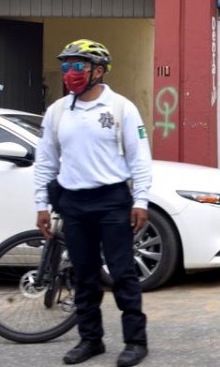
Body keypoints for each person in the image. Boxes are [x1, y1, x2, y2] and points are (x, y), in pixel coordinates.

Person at [34, 39, 152, 367]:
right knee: (83, 275)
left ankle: (135, 341)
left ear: (98, 71)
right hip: (73, 202)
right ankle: (90, 339)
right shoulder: (57, 112)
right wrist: (41, 204)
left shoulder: (121, 108)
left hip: (112, 200)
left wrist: (141, 200)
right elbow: (46, 161)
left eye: (78, 66)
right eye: (66, 66)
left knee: (122, 273)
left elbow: (140, 158)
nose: (69, 73)